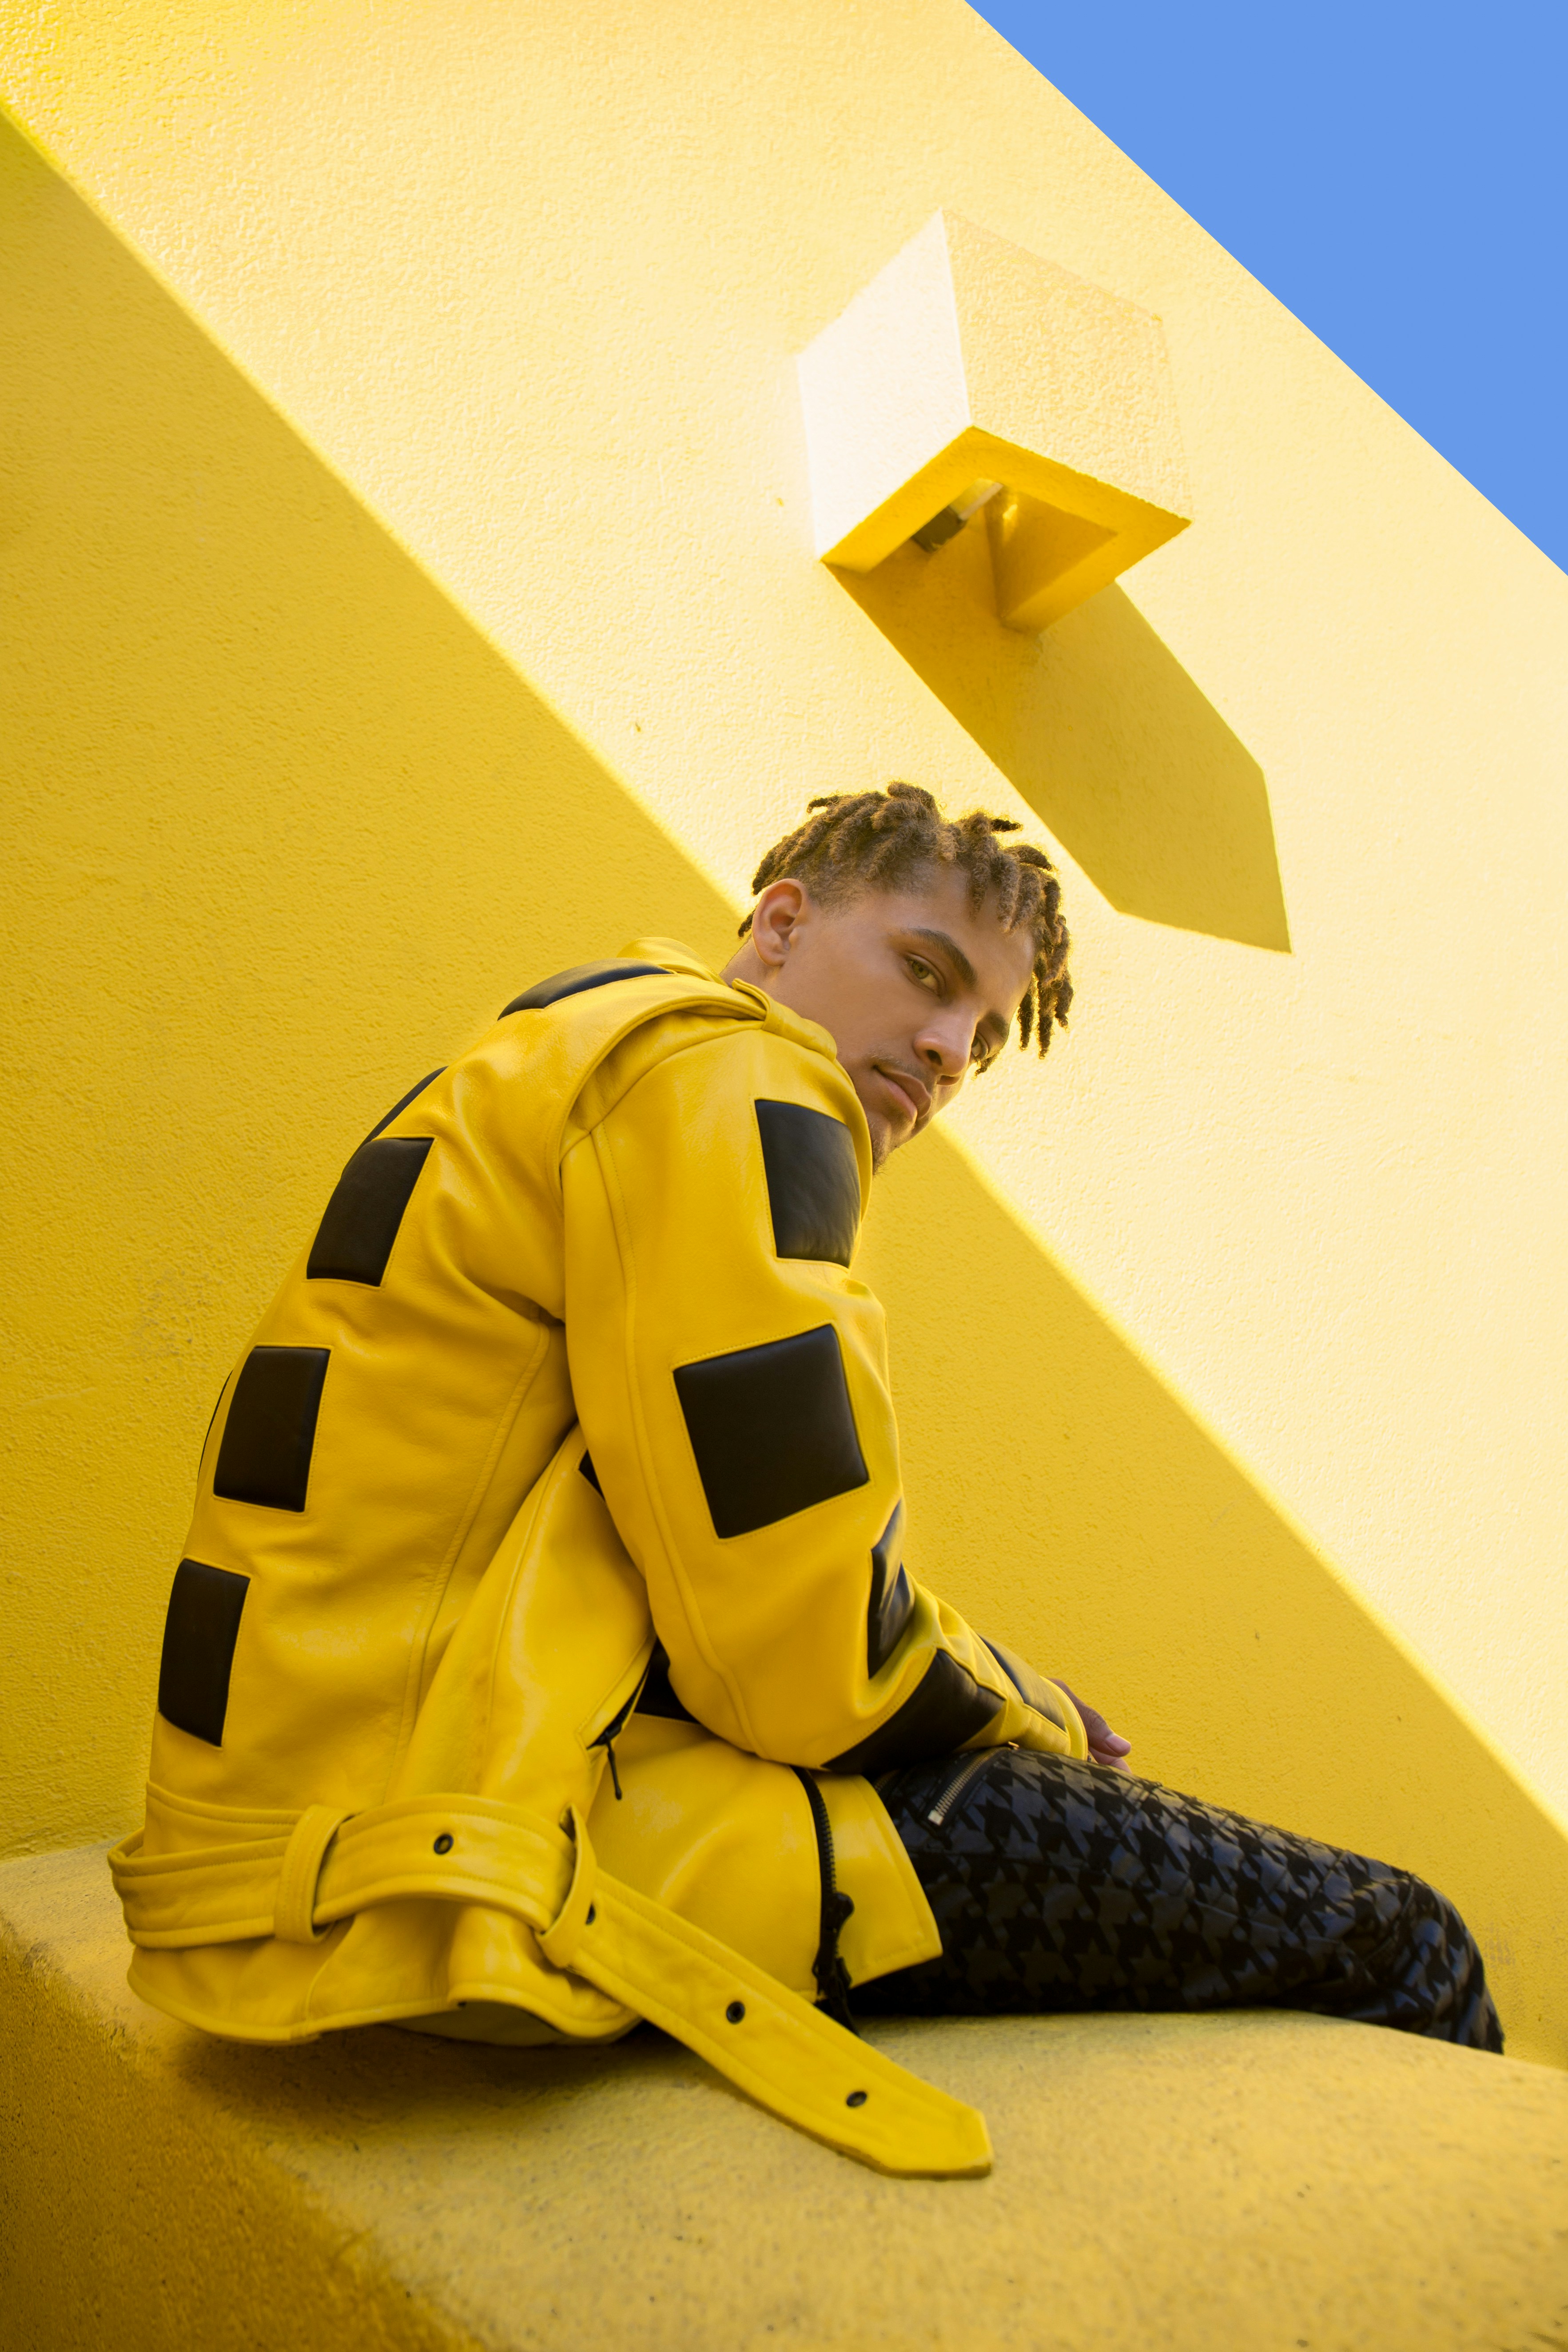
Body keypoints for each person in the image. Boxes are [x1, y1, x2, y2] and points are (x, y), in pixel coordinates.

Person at [111, 783, 1499, 2180]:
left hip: (259, 1867)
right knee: (1403, 1940)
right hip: (440, 1876)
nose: (950, 1047)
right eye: (925, 972)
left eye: (985, 1035)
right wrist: (1025, 1704)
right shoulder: (725, 1072)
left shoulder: (552, 1051)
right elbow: (800, 1660)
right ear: (778, 926)